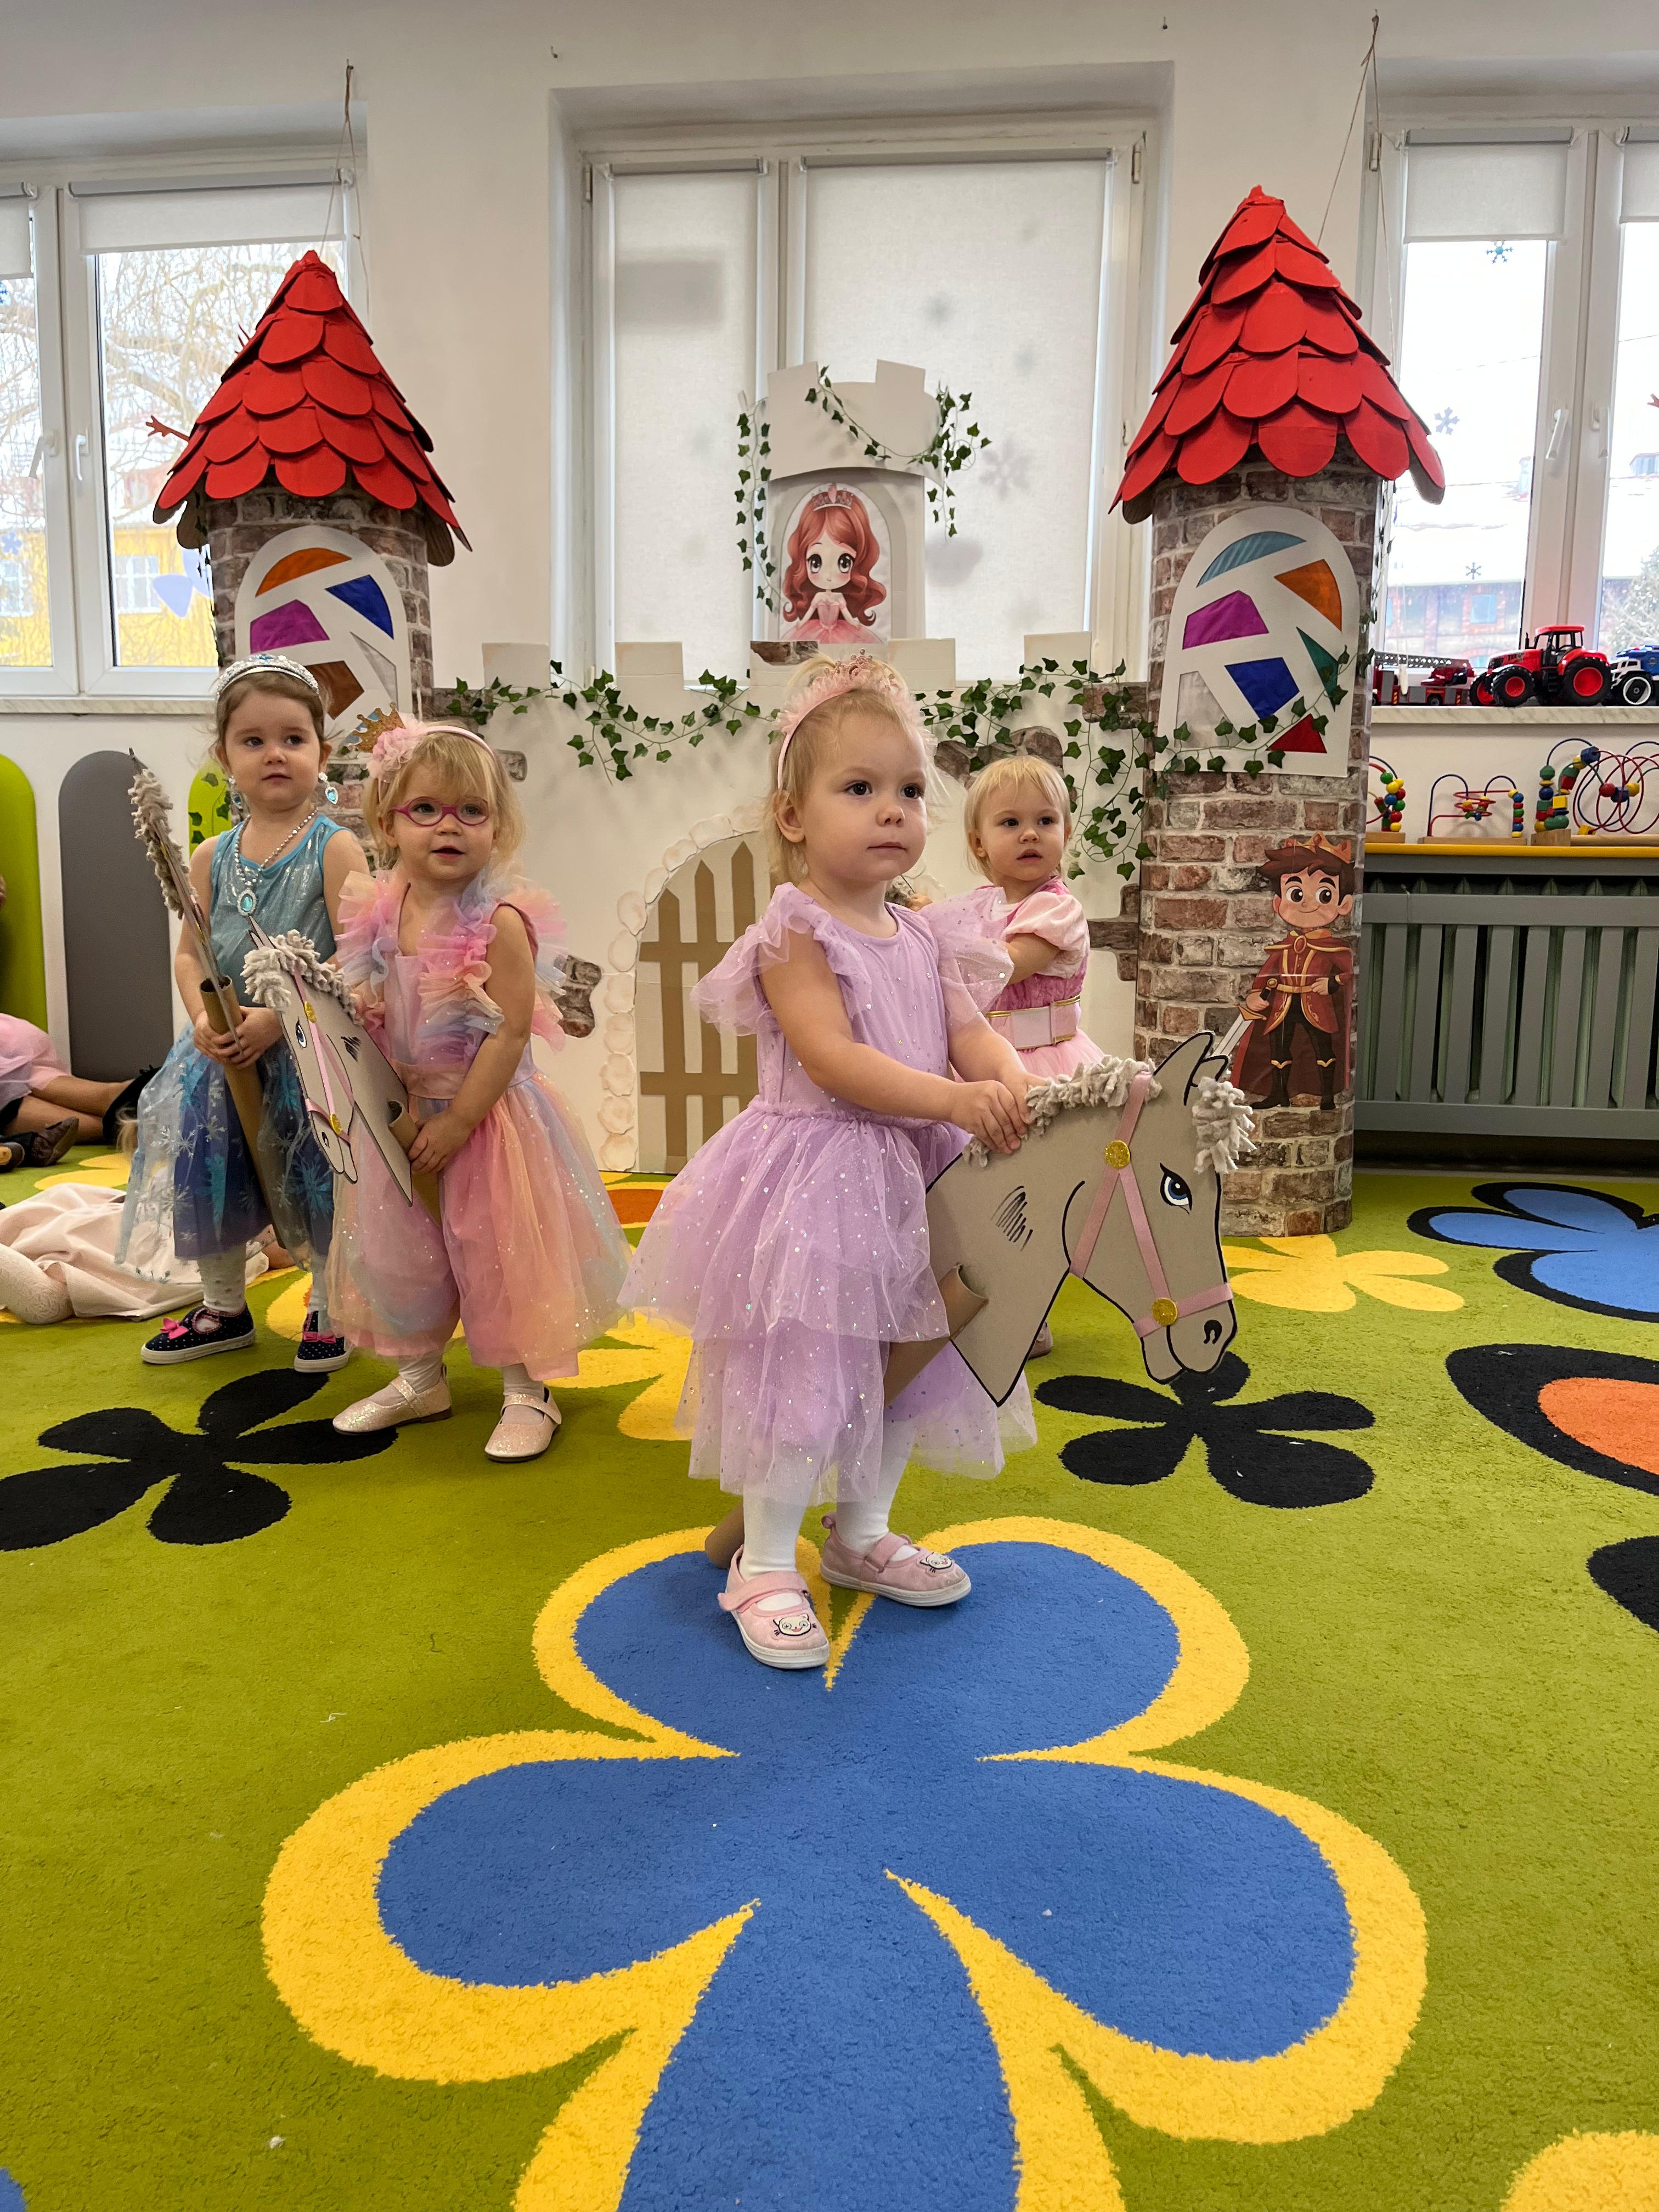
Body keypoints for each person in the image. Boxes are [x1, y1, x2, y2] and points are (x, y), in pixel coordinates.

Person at [625, 654, 1037, 1672]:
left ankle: (861, 1533)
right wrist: (953, 1098)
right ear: (793, 816)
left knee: (912, 1366)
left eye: (909, 790)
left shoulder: (923, 934)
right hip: (820, 1180)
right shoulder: (795, 928)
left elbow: (970, 1033)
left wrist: (1009, 1079)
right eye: (858, 788)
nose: (891, 810)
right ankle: (764, 1562)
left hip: (917, 1177)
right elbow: (832, 1058)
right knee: (805, 1378)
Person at [327, 721, 629, 1462]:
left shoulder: (499, 924)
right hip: (403, 1116)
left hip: (488, 1118)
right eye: (426, 810)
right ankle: (420, 1377)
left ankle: (528, 1390)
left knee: (500, 1254)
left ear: (498, 826)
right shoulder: (380, 909)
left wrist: (461, 1119)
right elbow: (365, 1002)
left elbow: (511, 1031)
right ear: (388, 822)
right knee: (404, 1253)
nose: (449, 827)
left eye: (471, 811)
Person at [118, 655, 368, 1368]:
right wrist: (205, 1020)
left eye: (293, 738)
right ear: (225, 757)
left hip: (308, 1050)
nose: (274, 754)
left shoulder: (335, 849)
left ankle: (330, 1303)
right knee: (211, 1173)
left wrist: (280, 1016)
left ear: (322, 752)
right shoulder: (210, 857)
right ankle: (224, 1306)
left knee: (320, 1179)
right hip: (224, 1055)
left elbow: (361, 958)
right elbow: (191, 954)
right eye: (253, 741)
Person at [1230, 834, 1357, 1110]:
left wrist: (1332, 982)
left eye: (1324, 895)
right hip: (1283, 1003)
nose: (1307, 904)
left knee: (1323, 1049)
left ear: (1344, 905)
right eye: (1296, 894)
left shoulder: (1335, 948)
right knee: (1278, 1049)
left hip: (1317, 1004)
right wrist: (1255, 994)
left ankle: (1326, 1096)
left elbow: (1347, 974)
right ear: (1279, 903)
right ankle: (1279, 1093)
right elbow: (1268, 973)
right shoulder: (1284, 946)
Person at [0, 1010, 150, 1165]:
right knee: (25, 1077)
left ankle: (127, 1117)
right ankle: (132, 1098)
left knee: (12, 1084)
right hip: (12, 1038)